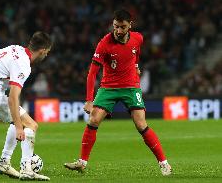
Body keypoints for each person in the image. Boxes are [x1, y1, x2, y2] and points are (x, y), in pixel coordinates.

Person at [64, 9, 172, 176]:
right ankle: (82, 162)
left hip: (131, 86)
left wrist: (136, 65)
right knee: (93, 119)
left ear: (130, 25)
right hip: (108, 87)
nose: (119, 31)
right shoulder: (104, 43)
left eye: (122, 27)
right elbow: (92, 73)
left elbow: (136, 53)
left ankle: (164, 163)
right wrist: (88, 99)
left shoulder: (138, 38)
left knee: (141, 124)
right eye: (116, 26)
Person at [0, 31, 52, 181]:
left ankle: (4, 162)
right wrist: (19, 127)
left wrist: (0, 66)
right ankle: (27, 169)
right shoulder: (24, 65)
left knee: (19, 121)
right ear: (42, 50)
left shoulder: (14, 48)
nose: (46, 55)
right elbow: (13, 97)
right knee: (31, 125)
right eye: (47, 53)